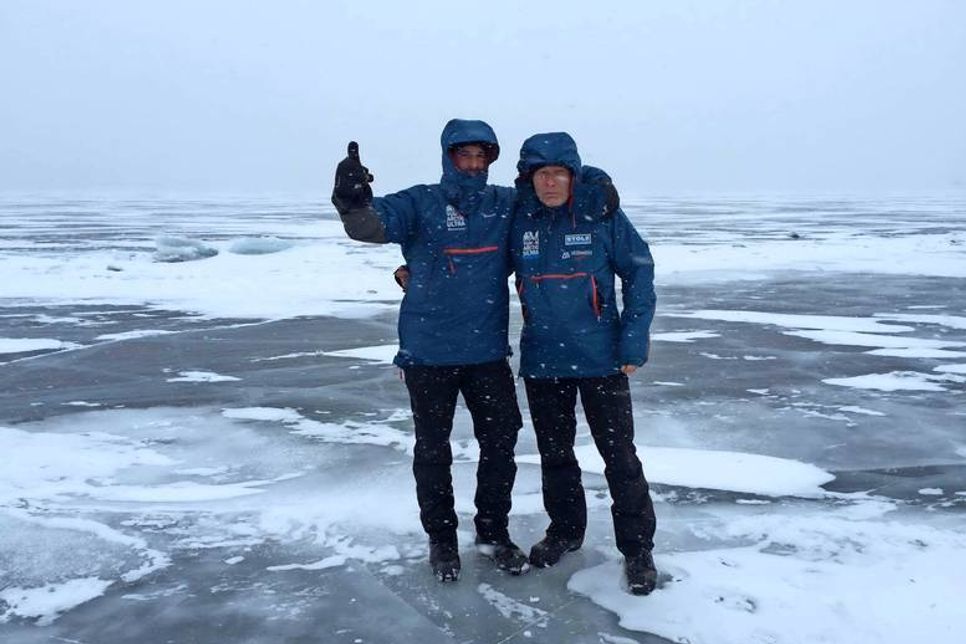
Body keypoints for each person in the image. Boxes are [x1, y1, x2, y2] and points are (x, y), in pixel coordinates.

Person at [331, 119, 529, 582]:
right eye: (466, 156)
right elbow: (367, 227)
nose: (475, 164)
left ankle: (493, 531)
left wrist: (597, 186)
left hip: (486, 352)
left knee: (500, 443)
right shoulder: (421, 202)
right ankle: (441, 540)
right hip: (428, 353)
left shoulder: (504, 204)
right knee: (433, 449)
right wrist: (350, 198)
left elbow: (553, 202)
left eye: (483, 156)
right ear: (449, 157)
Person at [510, 132, 659, 595]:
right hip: (543, 360)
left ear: (573, 176)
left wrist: (632, 341)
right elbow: (476, 262)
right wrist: (417, 272)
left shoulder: (601, 214)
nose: (550, 182)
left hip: (601, 360)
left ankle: (637, 550)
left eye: (558, 173)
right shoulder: (520, 220)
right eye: (541, 174)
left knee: (619, 457)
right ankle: (565, 532)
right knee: (556, 456)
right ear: (529, 180)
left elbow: (639, 270)